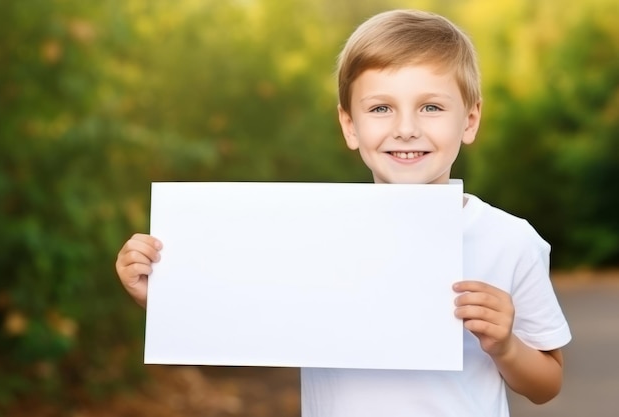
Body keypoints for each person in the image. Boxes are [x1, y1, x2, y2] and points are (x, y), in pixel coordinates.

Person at [115, 9, 571, 417]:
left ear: (469, 120)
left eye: (431, 107)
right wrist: (166, 297)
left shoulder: (509, 240)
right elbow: (250, 318)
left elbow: (547, 383)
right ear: (350, 125)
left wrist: (506, 346)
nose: (406, 129)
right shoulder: (318, 233)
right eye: (380, 108)